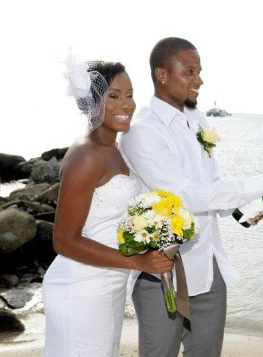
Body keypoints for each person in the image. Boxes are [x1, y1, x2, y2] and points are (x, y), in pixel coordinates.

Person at [120, 37, 263, 357]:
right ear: (162, 74)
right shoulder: (143, 130)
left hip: (209, 267)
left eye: (200, 71)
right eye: (190, 71)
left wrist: (260, 197)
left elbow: (213, 184)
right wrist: (261, 182)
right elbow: (183, 196)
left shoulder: (198, 121)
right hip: (161, 270)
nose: (199, 80)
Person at [42, 56, 174, 357]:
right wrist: (139, 263)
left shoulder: (115, 148)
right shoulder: (87, 155)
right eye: (113, 96)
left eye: (129, 95)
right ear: (91, 101)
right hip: (80, 287)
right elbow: (63, 241)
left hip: (109, 283)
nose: (126, 105)